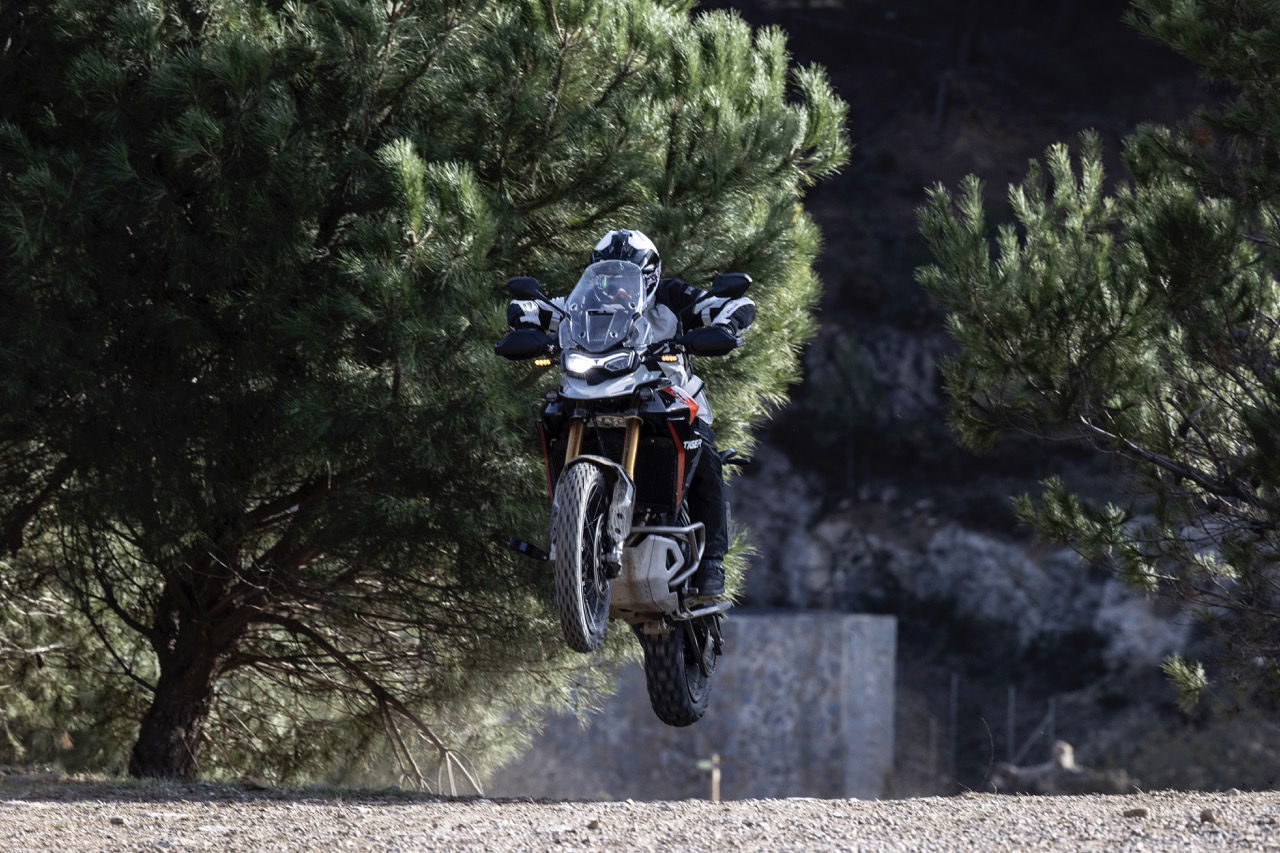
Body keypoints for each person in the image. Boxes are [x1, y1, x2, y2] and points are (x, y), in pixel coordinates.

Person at [506, 229, 755, 599]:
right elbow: (534, 307)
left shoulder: (675, 298)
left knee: (704, 452)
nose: (616, 288)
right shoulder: (582, 307)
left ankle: (712, 563)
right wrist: (526, 324)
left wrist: (728, 324)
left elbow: (731, 306)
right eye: (605, 278)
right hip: (594, 389)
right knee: (553, 417)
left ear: (649, 274)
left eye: (627, 278)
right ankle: (574, 538)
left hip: (667, 393)